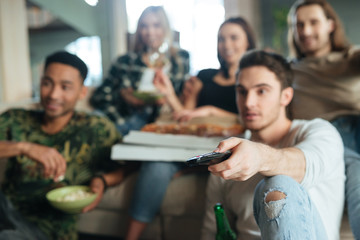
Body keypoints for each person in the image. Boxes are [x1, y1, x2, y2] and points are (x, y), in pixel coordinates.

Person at [125, 17, 256, 240]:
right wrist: (167, 92)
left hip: (227, 149)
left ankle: (190, 168)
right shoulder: (204, 76)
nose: (226, 44)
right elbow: (184, 116)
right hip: (191, 144)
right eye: (221, 39)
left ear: (248, 44)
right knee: (155, 165)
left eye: (234, 38)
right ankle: (132, 236)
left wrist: (210, 111)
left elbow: (251, 117)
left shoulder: (253, 82)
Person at [201, 50, 345, 239]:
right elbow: (213, 231)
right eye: (242, 92)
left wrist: (259, 157)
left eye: (261, 91)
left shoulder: (320, 132)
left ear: (286, 96)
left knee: (279, 183)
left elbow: (305, 165)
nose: (249, 102)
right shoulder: (228, 157)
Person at [0, 51, 126, 240]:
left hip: (47, 230)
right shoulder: (15, 119)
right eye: (47, 83)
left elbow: (130, 164)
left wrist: (102, 181)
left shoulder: (96, 128)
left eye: (65, 87)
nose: (53, 94)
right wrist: (24, 147)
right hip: (5, 211)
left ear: (82, 92)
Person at [287, 0, 360, 237]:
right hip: (317, 138)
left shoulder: (350, 58)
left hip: (354, 129)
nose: (306, 31)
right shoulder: (289, 70)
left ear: (330, 25)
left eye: (313, 22)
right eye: (299, 25)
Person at [89, 6, 190, 136]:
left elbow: (185, 98)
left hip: (159, 121)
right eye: (144, 26)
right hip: (122, 118)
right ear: (139, 30)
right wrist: (125, 96)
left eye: (156, 25)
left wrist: (168, 99)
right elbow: (99, 96)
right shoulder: (125, 61)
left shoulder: (180, 58)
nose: (150, 32)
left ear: (165, 27)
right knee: (93, 123)